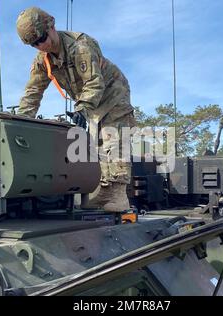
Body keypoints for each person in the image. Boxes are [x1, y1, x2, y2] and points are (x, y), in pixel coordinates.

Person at [16, 7, 135, 212]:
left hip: (112, 92)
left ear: (51, 26)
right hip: (89, 99)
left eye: (42, 38)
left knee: (113, 137)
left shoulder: (80, 46)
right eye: (33, 43)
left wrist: (82, 108)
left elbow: (94, 83)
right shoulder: (43, 60)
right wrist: (20, 121)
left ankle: (118, 195)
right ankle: (105, 191)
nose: (40, 45)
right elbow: (33, 92)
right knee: (96, 142)